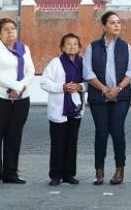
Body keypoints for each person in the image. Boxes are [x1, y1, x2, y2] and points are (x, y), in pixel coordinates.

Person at [83, 11, 131, 186]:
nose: (117, 25)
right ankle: (99, 171)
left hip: (121, 97)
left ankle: (119, 169)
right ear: (104, 26)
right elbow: (88, 72)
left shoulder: (126, 47)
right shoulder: (93, 47)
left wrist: (118, 88)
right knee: (101, 133)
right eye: (112, 22)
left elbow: (130, 72)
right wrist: (104, 88)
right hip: (99, 96)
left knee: (118, 131)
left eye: (119, 22)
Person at [0, 17, 35, 187]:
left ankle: (10, 173)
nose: (10, 31)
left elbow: (31, 71)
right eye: (5, 29)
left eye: (12, 28)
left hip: (21, 99)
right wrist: (15, 85)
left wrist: (20, 88)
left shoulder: (23, 48)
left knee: (14, 136)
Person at [40, 33, 87, 186]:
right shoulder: (56, 63)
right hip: (59, 108)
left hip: (76, 107)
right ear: (62, 47)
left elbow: (90, 82)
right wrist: (62, 87)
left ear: (79, 47)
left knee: (72, 142)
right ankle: (55, 175)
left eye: (75, 43)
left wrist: (79, 86)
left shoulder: (84, 63)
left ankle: (69, 174)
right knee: (58, 143)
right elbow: (44, 82)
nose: (72, 46)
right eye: (68, 44)